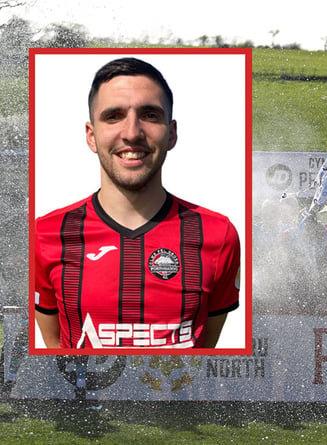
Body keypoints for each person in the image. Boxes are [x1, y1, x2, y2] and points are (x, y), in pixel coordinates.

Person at [34, 57, 241, 349]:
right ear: (91, 137)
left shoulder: (218, 235)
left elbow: (205, 353)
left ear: (171, 134)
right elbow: (54, 350)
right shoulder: (45, 235)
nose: (132, 132)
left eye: (150, 115)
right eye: (114, 116)